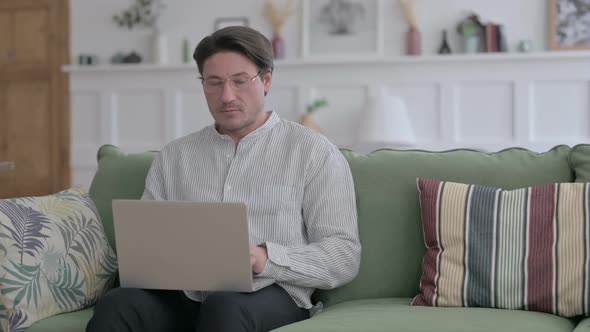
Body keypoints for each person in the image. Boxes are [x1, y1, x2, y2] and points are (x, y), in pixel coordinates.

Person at [86, 26, 361, 332]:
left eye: (240, 81)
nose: (227, 96)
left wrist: (265, 258)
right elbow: (145, 248)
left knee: (226, 307)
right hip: (181, 296)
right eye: (214, 83)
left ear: (266, 79)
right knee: (118, 304)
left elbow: (343, 255)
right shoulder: (174, 156)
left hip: (269, 294)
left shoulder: (313, 152)